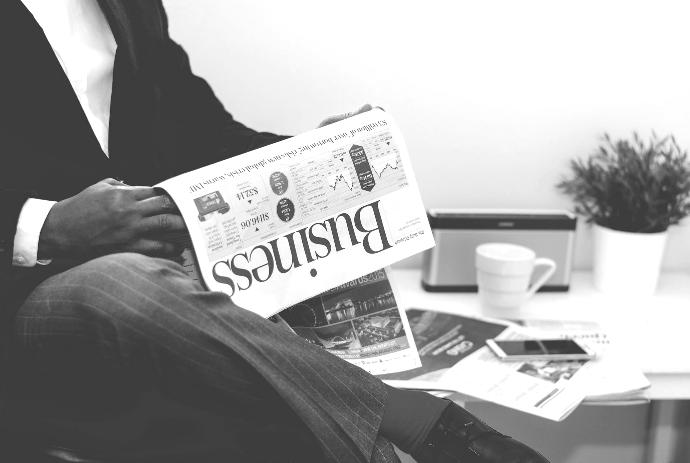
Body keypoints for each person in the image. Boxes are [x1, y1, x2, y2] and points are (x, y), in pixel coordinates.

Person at [0, 1, 550, 462]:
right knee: (120, 282)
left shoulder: (129, 4)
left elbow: (200, 131)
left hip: (173, 287)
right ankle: (435, 427)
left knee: (269, 404)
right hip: (32, 296)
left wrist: (310, 157)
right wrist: (46, 227)